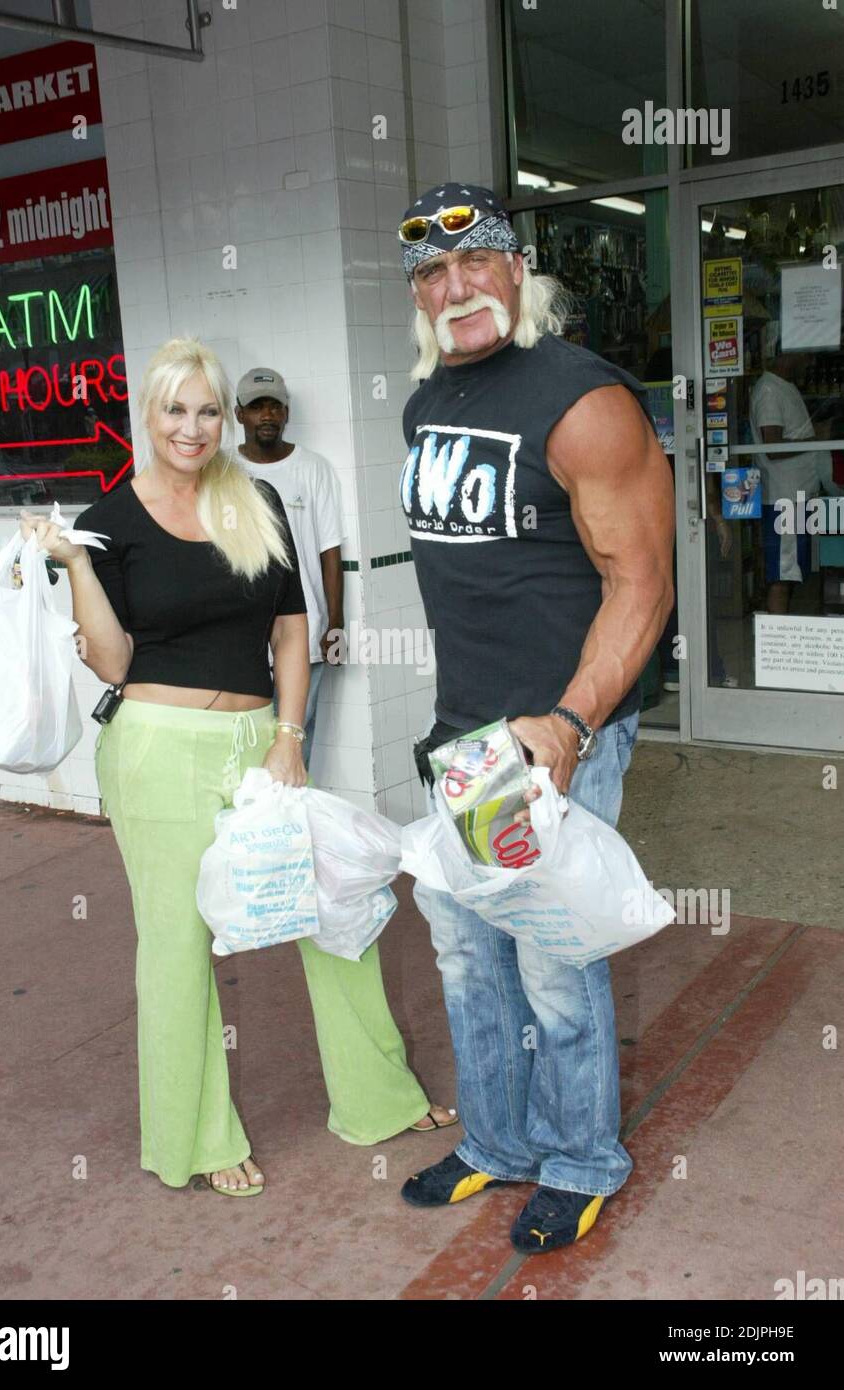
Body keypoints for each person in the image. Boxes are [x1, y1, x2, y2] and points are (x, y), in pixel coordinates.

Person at [19, 337, 455, 1198]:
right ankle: (197, 1137)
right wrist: (74, 566)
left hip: (261, 740)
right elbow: (110, 661)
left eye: (207, 409)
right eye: (175, 409)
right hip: (156, 750)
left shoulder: (254, 499)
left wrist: (290, 735)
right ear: (148, 414)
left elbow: (293, 624)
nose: (192, 426)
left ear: (224, 417)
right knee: (179, 947)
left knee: (333, 912)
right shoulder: (110, 520)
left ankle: (378, 1099)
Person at [395, 184, 674, 1253]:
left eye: (474, 264)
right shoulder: (428, 399)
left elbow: (638, 583)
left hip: (559, 733)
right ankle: (499, 1142)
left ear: (517, 270)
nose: (453, 287)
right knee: (469, 953)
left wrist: (566, 720)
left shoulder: (579, 398)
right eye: (429, 273)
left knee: (554, 956)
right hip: (462, 736)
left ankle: (582, 1156)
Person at [233, 367, 344, 767]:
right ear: (238, 413)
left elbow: (330, 550)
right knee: (249, 736)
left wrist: (336, 625)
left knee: (298, 733)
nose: (267, 415)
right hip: (242, 636)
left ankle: (296, 820)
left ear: (287, 412)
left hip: (307, 629)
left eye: (275, 406)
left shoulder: (313, 469)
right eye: (257, 407)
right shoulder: (223, 473)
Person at [750, 345, 826, 614]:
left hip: (797, 499)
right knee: (782, 578)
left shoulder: (785, 387)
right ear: (789, 354)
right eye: (806, 355)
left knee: (790, 575)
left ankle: (782, 637)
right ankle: (777, 646)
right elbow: (773, 446)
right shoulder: (769, 390)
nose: (810, 361)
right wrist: (816, 439)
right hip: (785, 501)